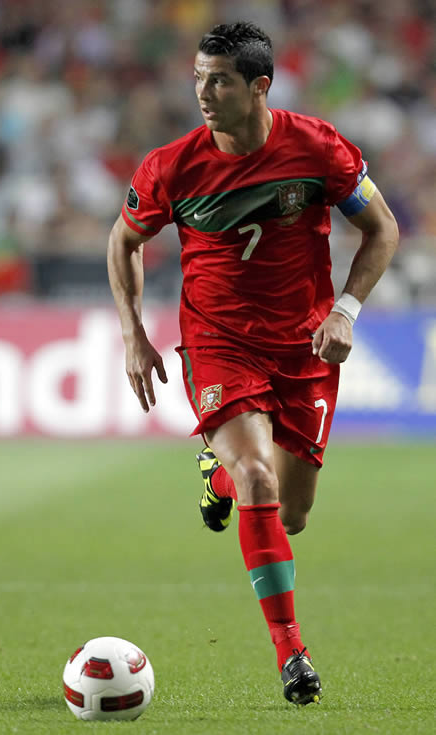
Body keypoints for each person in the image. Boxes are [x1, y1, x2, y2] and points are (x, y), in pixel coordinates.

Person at [107, 21, 399, 705]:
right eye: (198, 78)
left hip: (305, 345)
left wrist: (346, 310)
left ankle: (219, 474)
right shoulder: (171, 166)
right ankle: (291, 649)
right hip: (219, 342)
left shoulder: (318, 148)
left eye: (220, 81)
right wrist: (132, 334)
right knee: (261, 476)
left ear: (259, 86)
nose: (203, 93)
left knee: (291, 512)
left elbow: (382, 228)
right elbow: (123, 242)